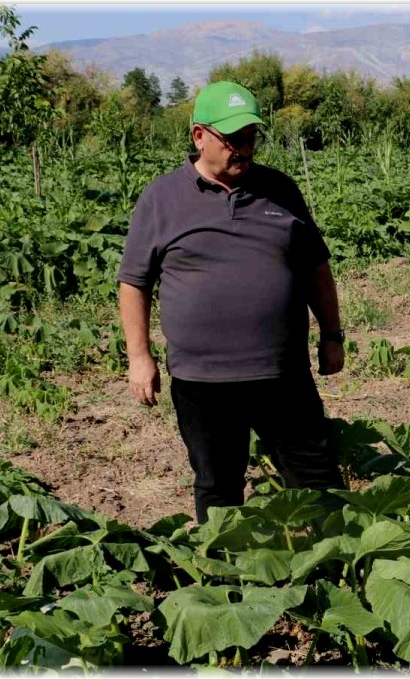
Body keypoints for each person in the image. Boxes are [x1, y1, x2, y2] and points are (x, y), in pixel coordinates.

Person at [117, 81, 346, 523]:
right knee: (219, 487)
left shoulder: (280, 189)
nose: (243, 148)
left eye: (250, 137)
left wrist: (332, 335)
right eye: (232, 139)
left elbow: (317, 268)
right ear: (198, 135)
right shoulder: (161, 198)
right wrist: (139, 356)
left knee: (317, 481)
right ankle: (226, 585)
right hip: (203, 382)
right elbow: (134, 282)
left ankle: (335, 572)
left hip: (282, 373)